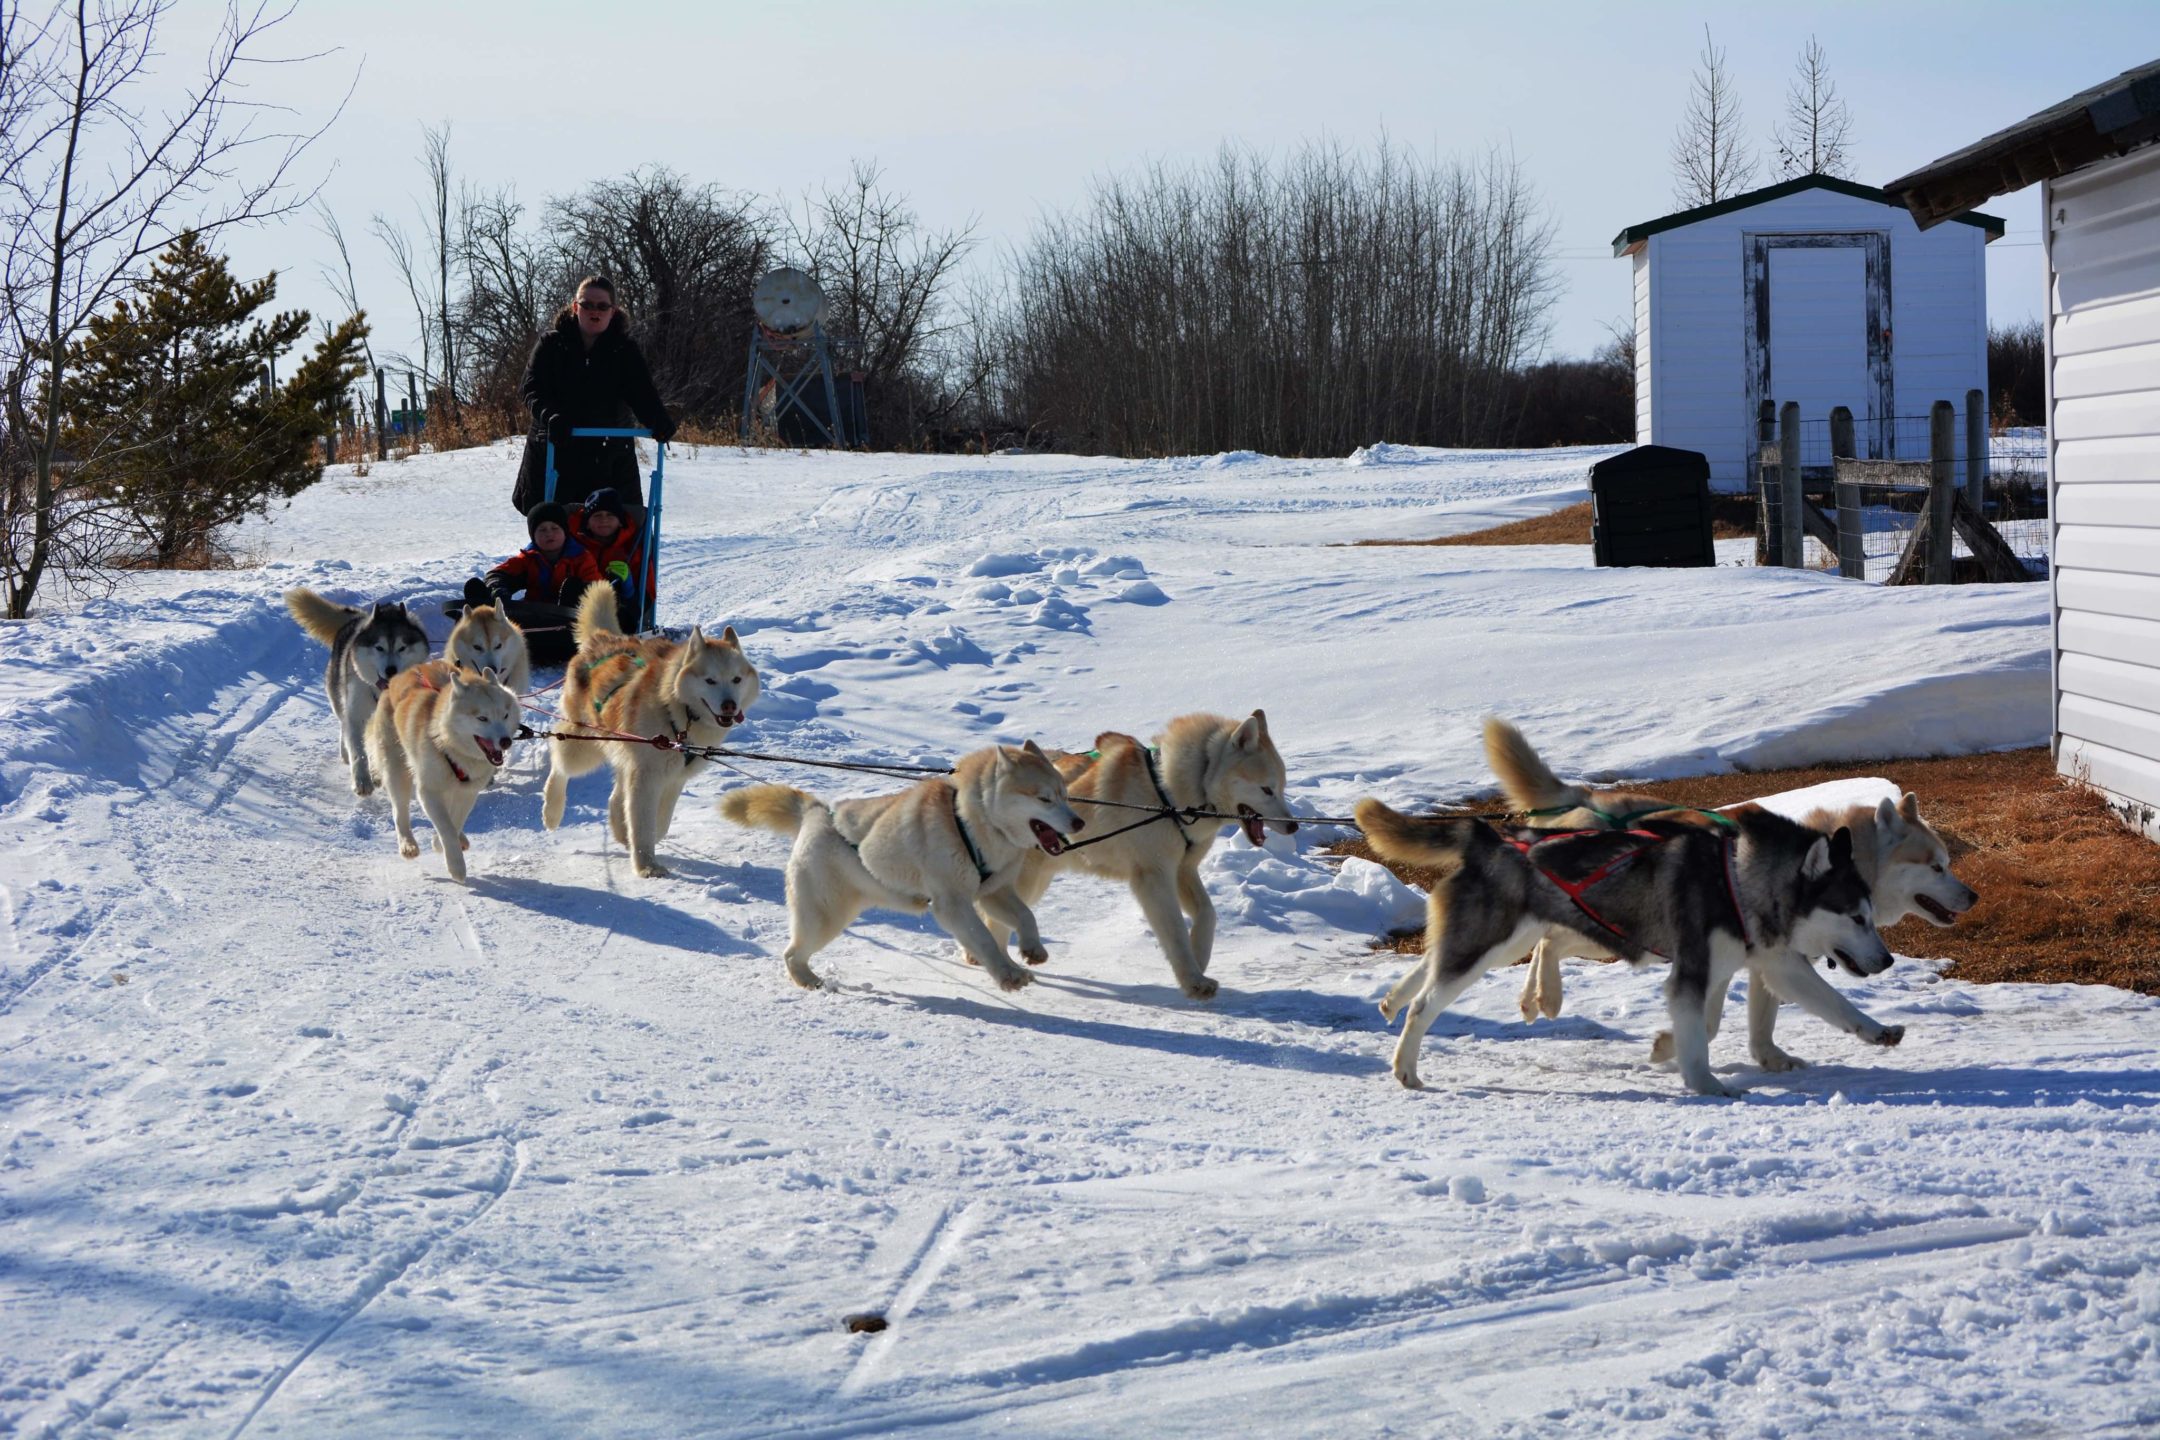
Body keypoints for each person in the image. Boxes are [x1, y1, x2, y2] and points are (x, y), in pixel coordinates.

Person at [510, 275, 678, 515]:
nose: (594, 311)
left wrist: (658, 420)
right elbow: (531, 388)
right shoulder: (551, 345)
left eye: (602, 306)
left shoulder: (624, 351)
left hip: (609, 458)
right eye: (587, 305)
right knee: (553, 528)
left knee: (612, 526)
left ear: (613, 311)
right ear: (575, 307)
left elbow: (642, 393)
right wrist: (551, 416)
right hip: (555, 451)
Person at [463, 502, 603, 666]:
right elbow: (497, 574)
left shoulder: (582, 558)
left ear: (565, 531)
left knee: (574, 587)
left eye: (554, 528)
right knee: (475, 587)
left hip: (567, 629)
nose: (549, 534)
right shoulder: (528, 559)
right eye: (542, 530)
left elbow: (597, 590)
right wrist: (498, 590)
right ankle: (478, 633)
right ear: (533, 535)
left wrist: (575, 599)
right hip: (534, 621)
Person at [568, 486, 651, 630]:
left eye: (610, 515)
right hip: (576, 611)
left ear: (620, 521)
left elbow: (645, 598)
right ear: (587, 523)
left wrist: (629, 588)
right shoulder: (572, 544)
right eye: (597, 515)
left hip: (617, 615)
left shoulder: (632, 548)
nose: (604, 520)